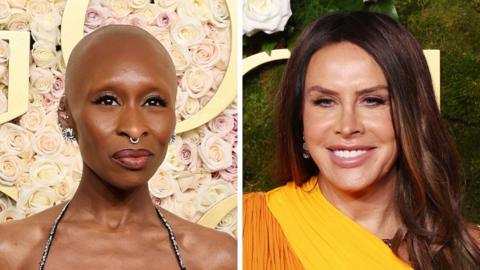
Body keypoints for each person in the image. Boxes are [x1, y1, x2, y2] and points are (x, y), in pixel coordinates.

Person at [243, 11, 480, 270]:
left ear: (411, 115)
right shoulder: (251, 229)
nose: (347, 127)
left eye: (372, 100)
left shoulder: (469, 251)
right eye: (325, 101)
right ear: (300, 118)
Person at [0, 25, 236, 270]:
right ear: (66, 114)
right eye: (108, 101)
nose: (134, 129)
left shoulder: (218, 258)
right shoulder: (10, 253)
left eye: (153, 102)